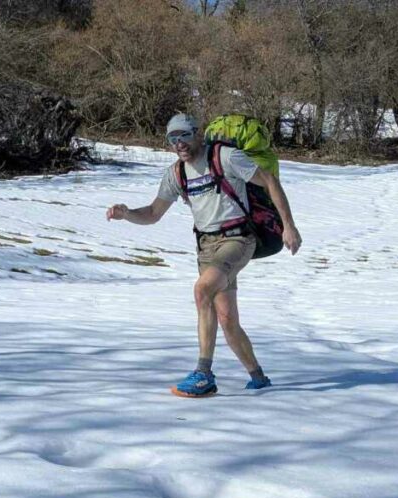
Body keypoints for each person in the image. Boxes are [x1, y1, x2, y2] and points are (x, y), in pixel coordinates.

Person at [106, 113, 301, 397]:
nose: (179, 143)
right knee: (226, 318)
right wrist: (127, 214)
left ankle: (203, 374)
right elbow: (153, 213)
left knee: (202, 290)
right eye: (173, 138)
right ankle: (258, 378)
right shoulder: (176, 173)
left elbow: (269, 180)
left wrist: (289, 227)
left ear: (198, 133)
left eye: (184, 135)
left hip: (238, 239)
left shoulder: (226, 157)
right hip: (206, 248)